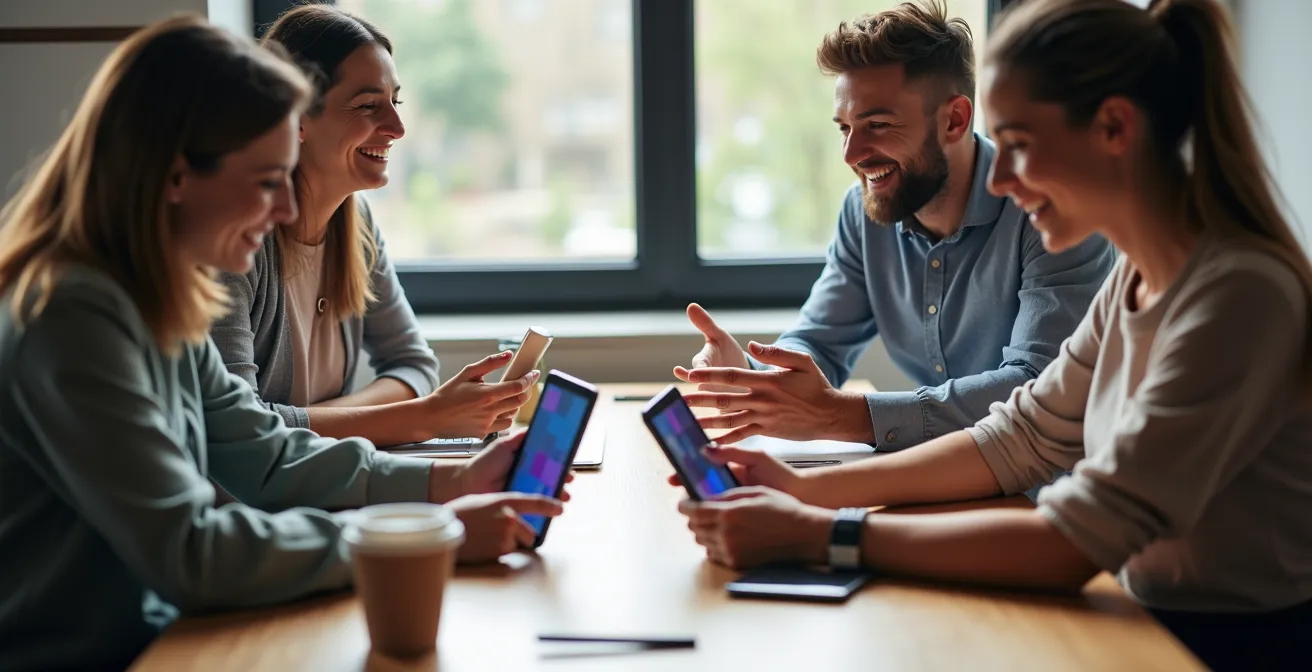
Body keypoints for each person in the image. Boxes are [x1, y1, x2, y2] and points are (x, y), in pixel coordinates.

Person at [675, 0, 1312, 668]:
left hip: (1230, 646)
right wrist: (803, 490)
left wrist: (822, 535)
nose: (1001, 178)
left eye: (1020, 144)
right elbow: (1020, 436)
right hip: (1141, 618)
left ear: (1114, 129)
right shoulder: (1137, 281)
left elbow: (1076, 540)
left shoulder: (1238, 297)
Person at [0, 17, 561, 670]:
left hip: (158, 641)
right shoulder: (71, 316)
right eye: (268, 181)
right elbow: (193, 552)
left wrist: (448, 481)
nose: (287, 213)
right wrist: (432, 535)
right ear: (178, 176)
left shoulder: (153, 296)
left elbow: (265, 456)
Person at [676, 0, 1115, 452]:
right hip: (942, 481)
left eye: (877, 124)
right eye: (844, 128)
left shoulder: (1049, 212)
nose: (851, 155)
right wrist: (750, 375)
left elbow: (1035, 387)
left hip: (1050, 491)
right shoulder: (863, 211)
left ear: (955, 120)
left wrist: (843, 416)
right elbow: (819, 344)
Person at [210, 4, 531, 448]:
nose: (397, 127)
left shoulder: (354, 222)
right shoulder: (233, 240)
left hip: (320, 485)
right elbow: (238, 434)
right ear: (297, 118)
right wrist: (419, 418)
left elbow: (415, 365)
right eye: (367, 105)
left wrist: (334, 423)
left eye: (395, 102)